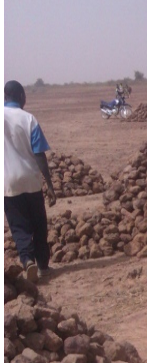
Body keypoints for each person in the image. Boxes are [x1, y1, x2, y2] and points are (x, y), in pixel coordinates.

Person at [4, 80, 56, 282]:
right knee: (38, 223)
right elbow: (39, 154)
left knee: (19, 226)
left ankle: (27, 261)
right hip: (31, 181)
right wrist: (49, 185)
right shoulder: (29, 119)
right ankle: (43, 265)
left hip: (8, 183)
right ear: (21, 97)